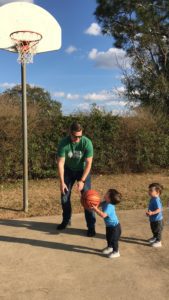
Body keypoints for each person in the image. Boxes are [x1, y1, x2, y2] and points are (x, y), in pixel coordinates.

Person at [56, 121, 96, 237]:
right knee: (64, 196)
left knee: (89, 199)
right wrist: (62, 182)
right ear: (70, 133)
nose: (77, 139)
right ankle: (66, 220)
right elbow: (61, 163)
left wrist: (82, 180)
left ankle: (91, 226)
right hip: (68, 170)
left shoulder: (87, 143)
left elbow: (89, 163)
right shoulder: (63, 143)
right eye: (75, 136)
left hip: (83, 171)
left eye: (80, 136)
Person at [92, 189, 122, 258]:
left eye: (107, 194)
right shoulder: (105, 202)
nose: (105, 194)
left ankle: (116, 252)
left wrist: (96, 210)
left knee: (114, 240)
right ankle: (109, 248)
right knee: (108, 238)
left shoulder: (110, 206)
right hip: (109, 226)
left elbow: (103, 215)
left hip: (115, 227)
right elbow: (98, 204)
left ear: (110, 199)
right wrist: (92, 204)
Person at [146, 182, 164, 248]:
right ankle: (155, 238)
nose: (149, 191)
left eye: (151, 190)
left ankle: (158, 241)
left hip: (158, 219)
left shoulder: (156, 200)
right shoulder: (152, 198)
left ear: (157, 192)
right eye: (149, 190)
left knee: (157, 230)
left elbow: (159, 209)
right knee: (153, 229)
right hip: (153, 219)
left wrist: (152, 213)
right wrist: (149, 213)